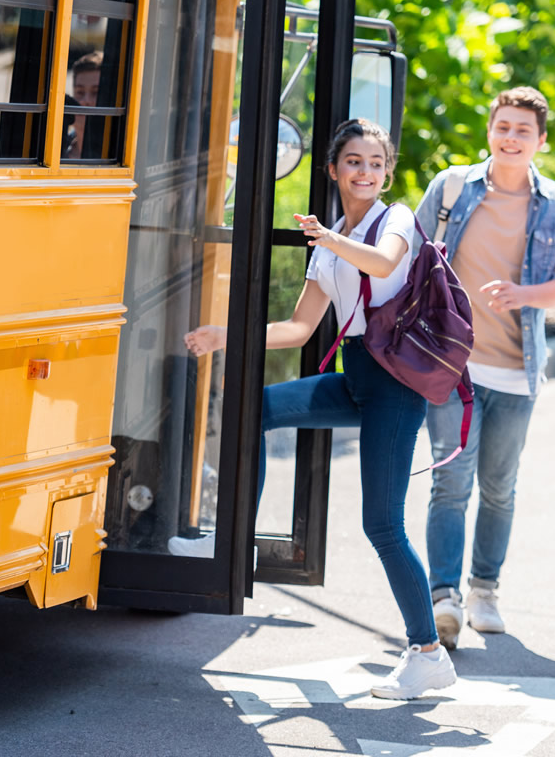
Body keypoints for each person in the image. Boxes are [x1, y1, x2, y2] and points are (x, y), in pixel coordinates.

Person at [172, 118, 457, 700]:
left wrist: (328, 237)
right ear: (332, 169)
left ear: (387, 172)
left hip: (397, 386)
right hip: (357, 376)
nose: (366, 172)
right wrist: (223, 334)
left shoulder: (394, 220)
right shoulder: (328, 252)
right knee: (257, 410)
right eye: (354, 161)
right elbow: (302, 328)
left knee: (382, 523)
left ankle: (427, 652)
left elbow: (381, 264)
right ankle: (237, 539)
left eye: (376, 163)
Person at [414, 87, 555, 649]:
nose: (511, 138)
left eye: (522, 131)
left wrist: (522, 293)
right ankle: (444, 598)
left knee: (500, 489)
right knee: (449, 482)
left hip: (517, 368)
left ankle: (484, 590)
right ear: (490, 130)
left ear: (540, 142)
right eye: (503, 126)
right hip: (451, 364)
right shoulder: (453, 187)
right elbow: (411, 258)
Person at [63, 51, 102, 158]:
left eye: (96, 92)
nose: (86, 101)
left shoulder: (123, 157)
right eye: (80, 92)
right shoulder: (55, 152)